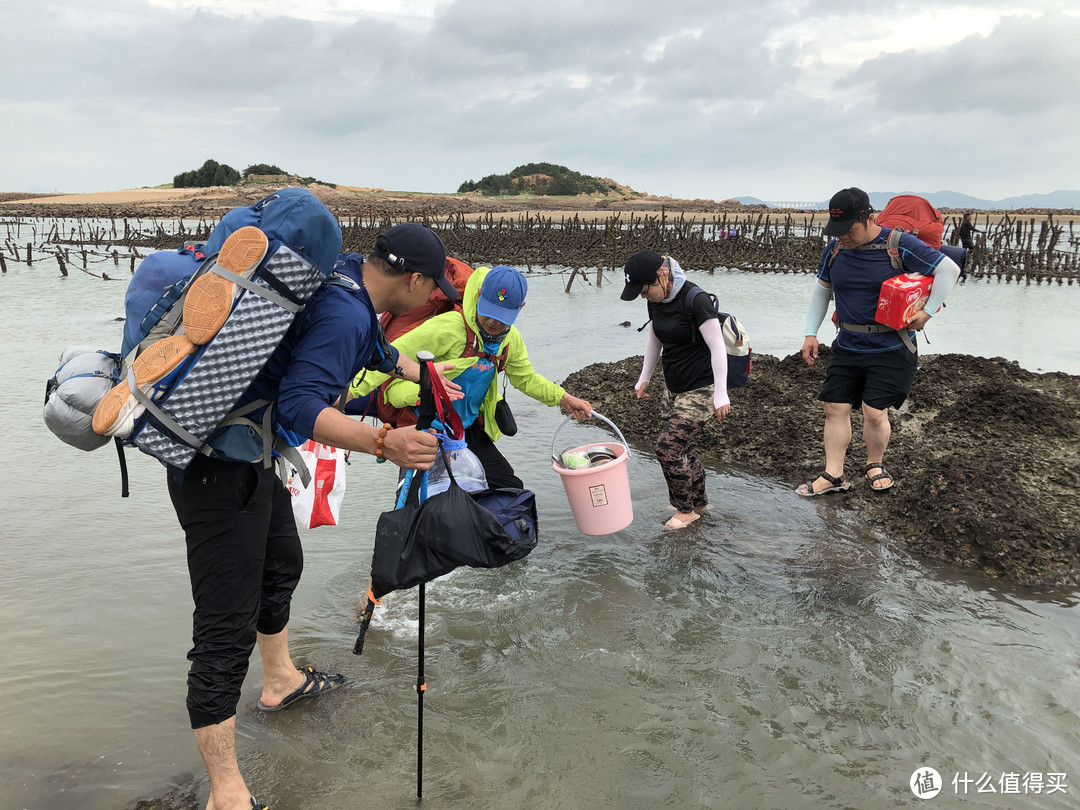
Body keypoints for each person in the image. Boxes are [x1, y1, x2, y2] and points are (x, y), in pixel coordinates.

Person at [167, 221, 461, 810]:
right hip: (215, 469)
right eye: (433, 293)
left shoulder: (348, 278)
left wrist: (426, 376)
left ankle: (280, 682)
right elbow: (303, 406)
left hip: (248, 453)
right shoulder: (349, 312)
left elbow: (375, 351)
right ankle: (226, 794)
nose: (433, 302)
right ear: (417, 279)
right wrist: (384, 442)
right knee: (224, 629)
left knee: (281, 562)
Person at [351, 264, 593, 490]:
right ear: (478, 295)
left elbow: (526, 379)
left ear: (521, 308)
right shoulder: (449, 327)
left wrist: (566, 399)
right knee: (418, 506)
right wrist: (347, 393)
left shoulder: (511, 341)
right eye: (488, 311)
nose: (492, 322)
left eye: (502, 317)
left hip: (466, 431)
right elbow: (384, 356)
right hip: (422, 427)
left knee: (510, 490)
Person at [798, 187, 962, 497]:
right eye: (838, 231)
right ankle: (834, 475)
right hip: (847, 344)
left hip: (891, 347)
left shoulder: (898, 244)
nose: (843, 236)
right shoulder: (834, 250)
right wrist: (811, 333)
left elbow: (948, 269)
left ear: (869, 218)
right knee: (834, 407)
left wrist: (928, 312)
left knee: (874, 412)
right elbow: (822, 290)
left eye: (849, 229)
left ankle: (874, 463)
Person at [620, 251, 731, 529]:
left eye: (644, 290)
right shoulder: (657, 301)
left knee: (667, 448)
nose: (644, 297)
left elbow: (718, 347)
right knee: (687, 448)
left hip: (701, 388)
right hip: (674, 387)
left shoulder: (697, 300)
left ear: (661, 276)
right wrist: (644, 377)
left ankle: (684, 511)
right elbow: (655, 338)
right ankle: (699, 502)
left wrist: (721, 394)